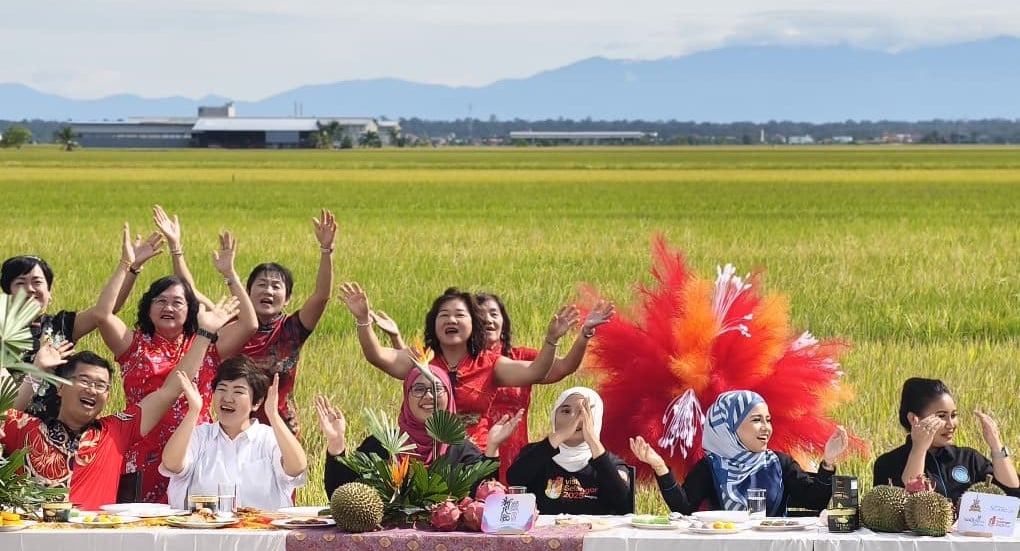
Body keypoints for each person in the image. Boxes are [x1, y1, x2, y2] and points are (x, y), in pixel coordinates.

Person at [0, 296, 239, 510]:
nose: (93, 390)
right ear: (60, 386)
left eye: (102, 385)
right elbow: (5, 410)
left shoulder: (115, 431)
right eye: (84, 380)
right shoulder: (27, 429)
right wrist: (38, 370)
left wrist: (205, 334)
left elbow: (170, 390)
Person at [94, 224, 258, 503]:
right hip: (142, 451)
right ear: (148, 308)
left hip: (197, 452)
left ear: (190, 311)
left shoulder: (206, 345)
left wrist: (230, 274)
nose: (168, 307)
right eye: (160, 301)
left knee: (199, 526)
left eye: (177, 303)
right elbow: (102, 314)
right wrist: (128, 266)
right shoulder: (133, 345)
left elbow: (250, 324)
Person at [155, 205, 337, 436]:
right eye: (261, 284)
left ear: (288, 298)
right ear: (247, 292)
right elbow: (189, 293)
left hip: (280, 428)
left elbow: (322, 295)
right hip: (233, 427)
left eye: (276, 286)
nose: (268, 291)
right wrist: (175, 247)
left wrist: (326, 250)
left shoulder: (292, 328)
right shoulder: (231, 324)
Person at [340, 283, 575, 450]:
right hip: (422, 459)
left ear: (474, 324)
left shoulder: (490, 364)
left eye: (459, 315)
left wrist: (552, 339)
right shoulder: (421, 360)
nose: (451, 320)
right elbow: (377, 355)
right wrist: (363, 320)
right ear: (434, 324)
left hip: (474, 461)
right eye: (444, 315)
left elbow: (535, 371)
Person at [2, 233, 163, 420]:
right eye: (20, 283)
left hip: (58, 433)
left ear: (49, 292)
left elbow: (104, 312)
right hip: (13, 436)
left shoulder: (59, 325)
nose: (30, 289)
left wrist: (130, 266)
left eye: (37, 282)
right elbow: (5, 409)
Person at [630, 390, 848, 515]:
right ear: (729, 426)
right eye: (756, 420)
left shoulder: (779, 464)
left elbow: (815, 502)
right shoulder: (711, 466)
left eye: (768, 420)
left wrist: (828, 462)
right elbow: (684, 508)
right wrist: (659, 466)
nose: (766, 427)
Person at [318, 363, 522, 498]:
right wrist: (336, 444)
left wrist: (493, 447)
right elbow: (340, 494)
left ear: (449, 396)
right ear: (407, 396)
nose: (428, 396)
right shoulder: (382, 444)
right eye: (419, 389)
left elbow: (483, 496)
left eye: (436, 388)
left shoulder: (460, 449)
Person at [477, 292, 615, 483]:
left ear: (503, 324)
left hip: (513, 450)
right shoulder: (462, 364)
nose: (488, 320)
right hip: (476, 449)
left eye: (494, 314)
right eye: (480, 315)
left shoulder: (521, 357)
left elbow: (563, 367)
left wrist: (584, 335)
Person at [160, 357, 308, 511]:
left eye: (238, 391)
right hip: (203, 531)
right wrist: (193, 412)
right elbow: (171, 464)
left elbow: (297, 467)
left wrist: (273, 415)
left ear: (256, 403)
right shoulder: (201, 436)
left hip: (260, 531)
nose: (227, 398)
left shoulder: (268, 438)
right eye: (222, 389)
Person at [872, 378, 1020, 501]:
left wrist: (996, 444)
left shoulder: (969, 458)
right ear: (913, 419)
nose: (951, 425)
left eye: (954, 415)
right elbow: (905, 502)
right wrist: (919, 449)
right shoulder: (888, 463)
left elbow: (1011, 493)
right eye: (941, 416)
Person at [507, 386, 632, 515]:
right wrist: (558, 437)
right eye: (566, 411)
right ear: (554, 416)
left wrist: (593, 441)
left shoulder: (610, 463)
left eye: (583, 413)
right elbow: (515, 479)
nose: (573, 418)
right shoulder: (536, 453)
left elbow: (624, 505)